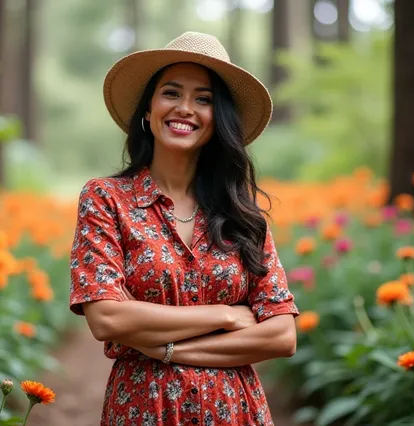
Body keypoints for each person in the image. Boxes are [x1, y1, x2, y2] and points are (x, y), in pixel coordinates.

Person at [69, 31, 299, 426]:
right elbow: (107, 319)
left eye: (204, 99)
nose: (186, 108)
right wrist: (226, 315)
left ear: (218, 118)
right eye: (171, 93)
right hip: (143, 409)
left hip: (237, 412)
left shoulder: (243, 215)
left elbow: (281, 336)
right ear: (147, 109)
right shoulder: (106, 199)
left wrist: (165, 349)